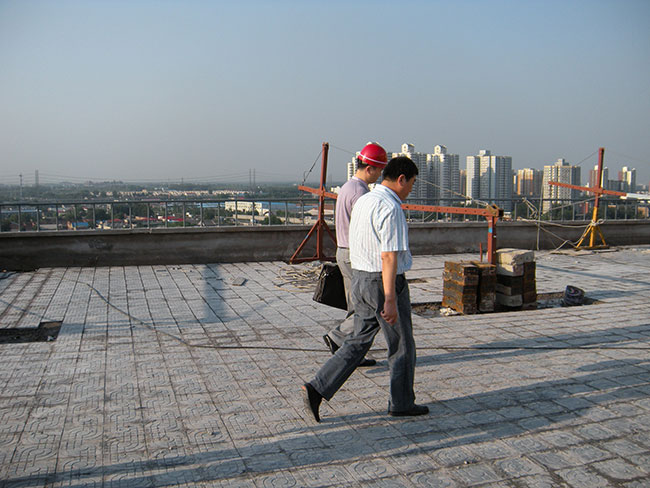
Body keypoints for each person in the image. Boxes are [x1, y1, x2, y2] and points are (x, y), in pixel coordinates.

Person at [303, 156, 428, 422]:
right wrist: (391, 298)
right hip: (383, 281)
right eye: (411, 184)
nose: (410, 190)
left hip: (361, 278)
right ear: (401, 179)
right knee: (401, 344)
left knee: (358, 341)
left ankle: (317, 388)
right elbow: (389, 256)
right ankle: (402, 402)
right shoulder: (390, 207)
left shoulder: (365, 200)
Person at [323, 142, 388, 368]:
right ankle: (338, 337)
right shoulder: (360, 193)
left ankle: (348, 351)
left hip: (344, 250)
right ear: (369, 168)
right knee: (367, 309)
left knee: (355, 305)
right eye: (379, 170)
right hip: (355, 254)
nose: (379, 176)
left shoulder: (346, 188)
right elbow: (367, 228)